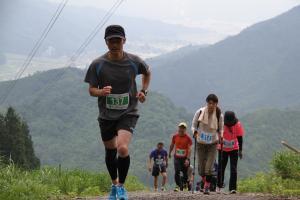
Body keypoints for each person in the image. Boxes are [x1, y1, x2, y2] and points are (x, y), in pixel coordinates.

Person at [84, 25, 151, 200]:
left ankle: (121, 187)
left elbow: (147, 72)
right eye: (111, 40)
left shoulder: (133, 61)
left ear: (124, 41)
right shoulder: (97, 65)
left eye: (118, 40)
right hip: (106, 114)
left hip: (128, 112)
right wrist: (101, 92)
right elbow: (91, 90)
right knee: (110, 151)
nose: (115, 44)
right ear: (106, 42)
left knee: (122, 148)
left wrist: (144, 91)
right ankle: (114, 184)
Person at [191, 94, 224, 195]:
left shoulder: (219, 114)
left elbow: (221, 128)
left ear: (216, 104)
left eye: (213, 103)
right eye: (209, 103)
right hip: (201, 142)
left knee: (209, 167)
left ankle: (206, 187)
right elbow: (193, 126)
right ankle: (204, 180)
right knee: (201, 168)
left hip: (213, 143)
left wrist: (221, 136)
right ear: (207, 103)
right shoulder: (199, 112)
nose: (211, 105)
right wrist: (195, 133)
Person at [217, 111, 244, 194]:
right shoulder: (221, 124)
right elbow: (217, 136)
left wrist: (240, 150)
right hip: (222, 149)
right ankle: (219, 186)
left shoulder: (238, 125)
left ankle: (232, 188)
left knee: (233, 168)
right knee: (221, 167)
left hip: (234, 149)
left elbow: (240, 138)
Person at [169, 122, 193, 192]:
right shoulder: (175, 136)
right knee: (177, 171)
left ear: (185, 130)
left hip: (185, 158)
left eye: (183, 128)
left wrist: (187, 159)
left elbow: (189, 149)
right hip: (177, 157)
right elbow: (172, 145)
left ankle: (185, 184)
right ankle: (177, 185)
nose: (181, 129)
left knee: (185, 173)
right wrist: (170, 152)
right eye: (180, 128)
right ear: (178, 128)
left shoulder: (188, 138)